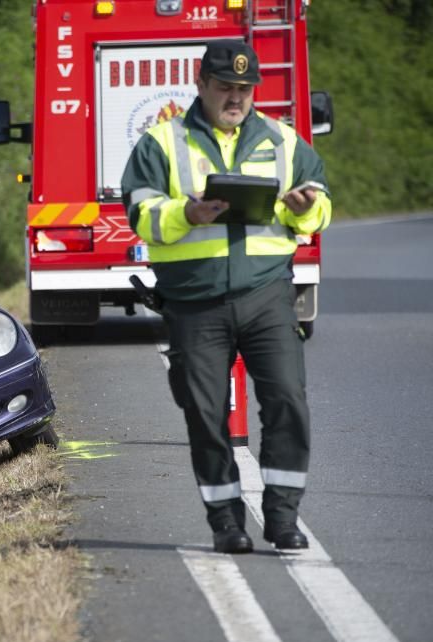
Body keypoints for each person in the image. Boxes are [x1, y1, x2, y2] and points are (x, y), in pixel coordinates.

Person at [121, 40, 331, 553]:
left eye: (244, 89)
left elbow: (320, 208)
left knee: (287, 401)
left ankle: (282, 519)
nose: (235, 98)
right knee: (205, 412)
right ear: (201, 85)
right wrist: (185, 215)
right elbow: (140, 214)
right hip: (195, 303)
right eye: (225, 87)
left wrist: (304, 207)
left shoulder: (284, 140)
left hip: (266, 295)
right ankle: (226, 523)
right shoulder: (162, 142)